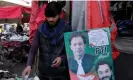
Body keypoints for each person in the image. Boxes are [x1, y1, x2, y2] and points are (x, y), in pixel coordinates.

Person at [22, 2, 71, 80]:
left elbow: (71, 52)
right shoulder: (40, 29)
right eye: (48, 16)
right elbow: (33, 50)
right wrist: (29, 65)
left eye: (53, 16)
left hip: (61, 75)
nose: (50, 19)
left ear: (59, 14)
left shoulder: (66, 29)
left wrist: (62, 58)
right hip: (43, 74)